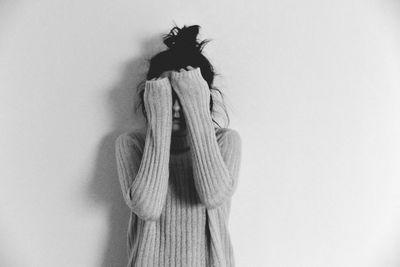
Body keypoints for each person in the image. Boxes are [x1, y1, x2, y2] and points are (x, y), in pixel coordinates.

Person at [115, 24, 242, 267]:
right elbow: (147, 207)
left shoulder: (225, 141)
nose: (174, 107)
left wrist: (196, 105)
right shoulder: (131, 145)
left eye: (182, 96)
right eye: (166, 96)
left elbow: (213, 195)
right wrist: (159, 121)